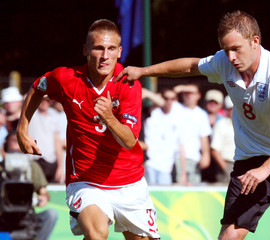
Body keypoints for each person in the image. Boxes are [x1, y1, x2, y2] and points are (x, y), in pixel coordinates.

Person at [116, 10, 270, 240]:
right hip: (252, 158)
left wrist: (265, 170)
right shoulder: (224, 62)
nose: (230, 57)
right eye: (226, 50)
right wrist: (143, 71)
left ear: (255, 41)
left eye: (236, 49)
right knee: (229, 236)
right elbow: (190, 66)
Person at [16, 19, 160, 240]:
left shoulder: (128, 85)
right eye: (98, 48)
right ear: (85, 50)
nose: (105, 56)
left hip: (130, 181)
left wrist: (110, 118)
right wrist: (22, 130)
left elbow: (130, 141)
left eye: (111, 49)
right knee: (96, 234)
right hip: (86, 181)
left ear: (120, 52)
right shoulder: (66, 79)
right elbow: (38, 87)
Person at [3, 130, 58, 240]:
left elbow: (44, 193)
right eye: (14, 141)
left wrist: (43, 198)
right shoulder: (1, 168)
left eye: (20, 141)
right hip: (3, 215)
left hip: (27, 216)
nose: (17, 145)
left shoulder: (33, 167)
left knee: (51, 215)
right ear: (6, 144)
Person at [143, 88, 186, 185]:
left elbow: (181, 147)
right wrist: (155, 96)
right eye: (166, 98)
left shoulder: (178, 117)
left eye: (172, 98)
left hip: (166, 167)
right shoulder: (152, 112)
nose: (169, 101)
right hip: (149, 164)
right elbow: (145, 93)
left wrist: (183, 174)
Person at [172, 83, 212, 185]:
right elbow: (172, 92)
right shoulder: (175, 108)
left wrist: (206, 155)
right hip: (176, 157)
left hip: (194, 158)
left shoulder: (202, 114)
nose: (189, 95)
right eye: (186, 93)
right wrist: (183, 87)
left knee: (193, 191)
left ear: (199, 95)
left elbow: (204, 137)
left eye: (192, 93)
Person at [27, 95, 64, 183]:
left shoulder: (54, 116)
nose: (44, 102)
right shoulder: (31, 113)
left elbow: (57, 142)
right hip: (35, 160)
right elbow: (26, 98)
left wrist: (60, 167)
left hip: (51, 161)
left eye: (47, 100)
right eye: (41, 100)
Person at [210, 95, 235, 184]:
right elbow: (214, 149)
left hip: (243, 165)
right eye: (231, 109)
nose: (234, 111)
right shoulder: (221, 124)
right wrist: (225, 168)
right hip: (227, 164)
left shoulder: (246, 125)